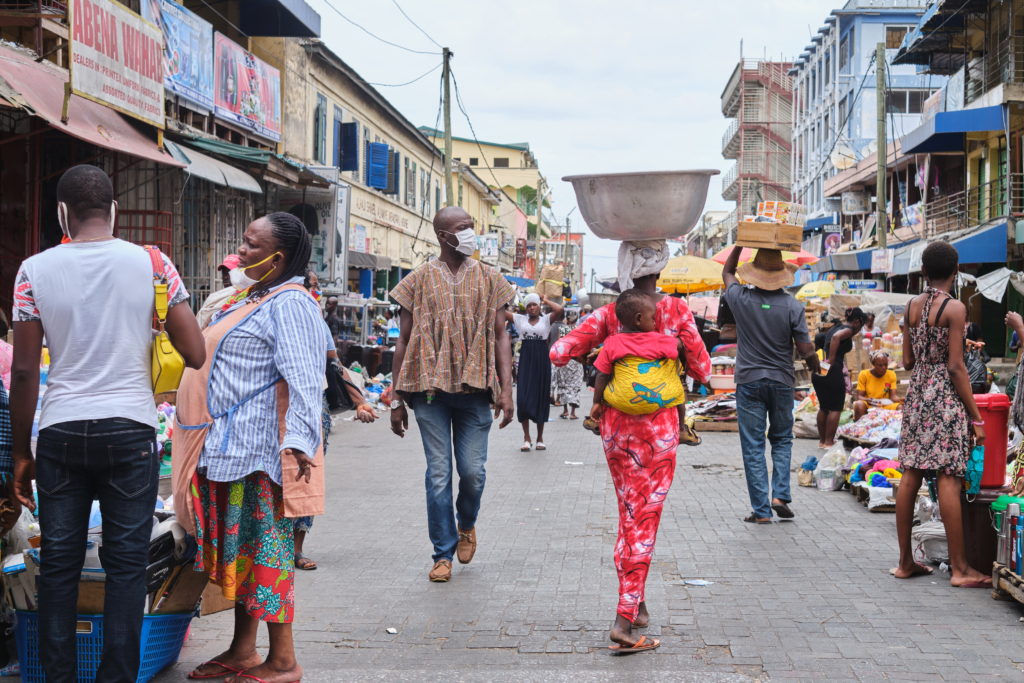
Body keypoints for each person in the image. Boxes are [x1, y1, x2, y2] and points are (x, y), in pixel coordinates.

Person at [8, 165, 206, 682]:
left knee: (58, 567)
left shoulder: (32, 270)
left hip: (61, 431)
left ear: (61, 214)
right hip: (130, 429)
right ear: (114, 210)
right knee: (124, 568)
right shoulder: (154, 263)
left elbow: (26, 370)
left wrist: (21, 453)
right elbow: (195, 349)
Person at [175, 213, 329, 683]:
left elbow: (306, 378)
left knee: (268, 554)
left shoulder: (291, 303)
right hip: (227, 450)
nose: (240, 252)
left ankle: (283, 660)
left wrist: (300, 442)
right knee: (242, 553)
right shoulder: (252, 297)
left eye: (249, 245)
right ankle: (243, 651)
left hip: (262, 454)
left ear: (277, 258)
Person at [550, 239, 711, 653]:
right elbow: (704, 368)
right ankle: (624, 621)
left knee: (629, 516)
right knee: (644, 521)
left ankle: (636, 604)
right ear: (660, 266)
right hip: (658, 436)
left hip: (616, 432)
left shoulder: (610, 314)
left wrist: (601, 360)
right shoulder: (673, 311)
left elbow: (558, 351)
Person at [389, 206, 515, 583]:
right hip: (430, 392)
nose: (471, 234)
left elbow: (500, 335)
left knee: (473, 474)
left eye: (472, 227)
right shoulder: (418, 280)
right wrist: (396, 399)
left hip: (477, 390)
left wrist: (507, 390)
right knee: (440, 474)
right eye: (463, 228)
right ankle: (441, 553)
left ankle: (467, 525)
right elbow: (403, 341)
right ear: (443, 236)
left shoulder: (492, 279)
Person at [895, 240, 991, 588]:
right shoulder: (955, 309)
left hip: (917, 394)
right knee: (949, 476)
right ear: (956, 270)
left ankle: (905, 561)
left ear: (923, 271)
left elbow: (907, 362)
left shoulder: (911, 306)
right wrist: (976, 417)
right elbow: (955, 367)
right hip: (944, 398)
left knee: (911, 472)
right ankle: (961, 570)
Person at [721, 247, 820, 524]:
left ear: (755, 273)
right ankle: (780, 496)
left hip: (750, 381)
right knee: (782, 439)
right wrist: (813, 361)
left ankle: (762, 512)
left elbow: (727, 272)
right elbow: (804, 347)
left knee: (753, 446)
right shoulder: (793, 306)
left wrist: (739, 245)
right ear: (780, 275)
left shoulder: (741, 298)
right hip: (781, 382)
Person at [292, 271, 378, 572]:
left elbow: (334, 364)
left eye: (315, 287)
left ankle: (296, 548)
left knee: (307, 478)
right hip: (275, 412)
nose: (315, 293)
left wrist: (360, 401)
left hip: (314, 410)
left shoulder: (317, 321)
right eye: (313, 287)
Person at [507, 293, 563, 450]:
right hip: (525, 358)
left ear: (539, 306)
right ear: (526, 307)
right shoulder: (520, 319)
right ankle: (526, 438)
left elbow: (559, 309)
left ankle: (540, 438)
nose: (532, 308)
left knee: (540, 397)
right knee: (523, 398)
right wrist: (508, 296)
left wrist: (546, 300)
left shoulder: (546, 320)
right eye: (529, 305)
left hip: (541, 359)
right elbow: (500, 311)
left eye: (535, 305)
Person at [812, 307, 866, 448]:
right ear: (857, 321)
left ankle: (822, 441)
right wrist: (831, 359)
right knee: (836, 407)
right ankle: (829, 442)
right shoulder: (848, 330)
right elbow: (836, 338)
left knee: (824, 407)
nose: (860, 329)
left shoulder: (836, 327)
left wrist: (827, 361)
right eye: (861, 325)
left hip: (822, 367)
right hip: (832, 367)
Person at [852, 350, 902, 421]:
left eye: (886, 364)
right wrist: (867, 400)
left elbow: (893, 396)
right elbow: (860, 396)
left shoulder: (891, 374)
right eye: (880, 365)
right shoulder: (864, 374)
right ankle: (859, 429)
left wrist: (900, 400)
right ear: (873, 364)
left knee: (900, 407)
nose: (884, 367)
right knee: (859, 405)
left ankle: (898, 430)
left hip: (885, 406)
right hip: (870, 406)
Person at [552, 310, 584, 420]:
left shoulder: (562, 329)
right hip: (576, 360)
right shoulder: (579, 330)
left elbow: (559, 344)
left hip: (564, 360)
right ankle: (572, 413)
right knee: (574, 386)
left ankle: (565, 410)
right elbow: (582, 346)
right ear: (576, 319)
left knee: (563, 385)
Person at [197, 254, 241, 329]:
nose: (225, 277)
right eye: (224, 273)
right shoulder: (217, 297)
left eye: (230, 273)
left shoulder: (246, 294)